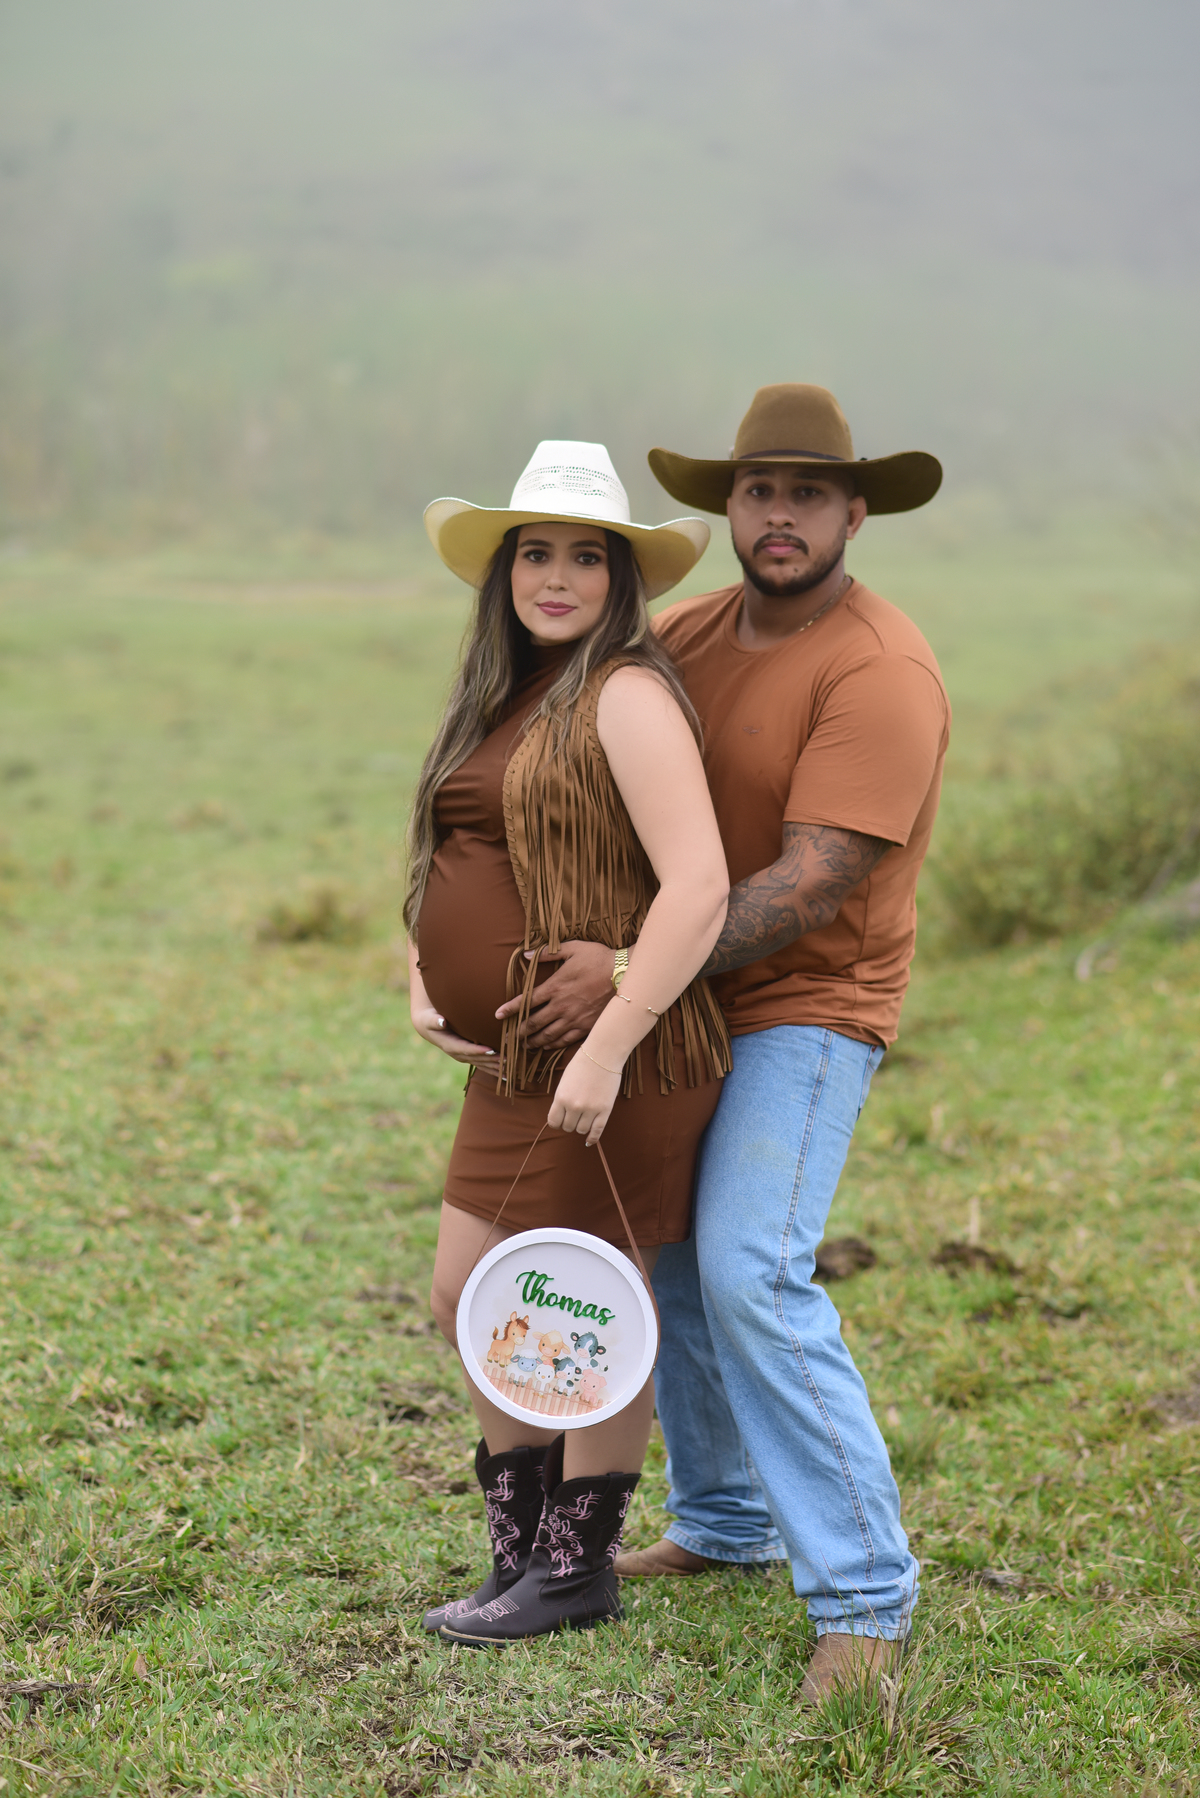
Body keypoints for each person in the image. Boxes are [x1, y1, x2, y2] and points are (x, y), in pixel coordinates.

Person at [495, 386, 949, 1700]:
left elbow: (814, 880)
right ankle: (728, 1520)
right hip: (680, 999)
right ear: (727, 507)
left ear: (856, 513)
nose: (782, 514)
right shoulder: (687, 633)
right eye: (761, 490)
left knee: (752, 1264)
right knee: (672, 1258)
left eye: (810, 493)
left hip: (808, 1005)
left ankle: (865, 1598)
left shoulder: (879, 670)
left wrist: (630, 967)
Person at [405, 439, 732, 1644]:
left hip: (616, 1056)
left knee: (587, 1301)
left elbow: (698, 884)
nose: (554, 576)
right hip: (510, 1059)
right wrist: (419, 963)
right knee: (466, 1295)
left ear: (619, 578)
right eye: (532, 554)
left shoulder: (626, 693)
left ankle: (575, 1564)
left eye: (582, 557)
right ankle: (518, 1554)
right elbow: (457, 844)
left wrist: (609, 1043)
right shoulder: (502, 692)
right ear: (503, 576)